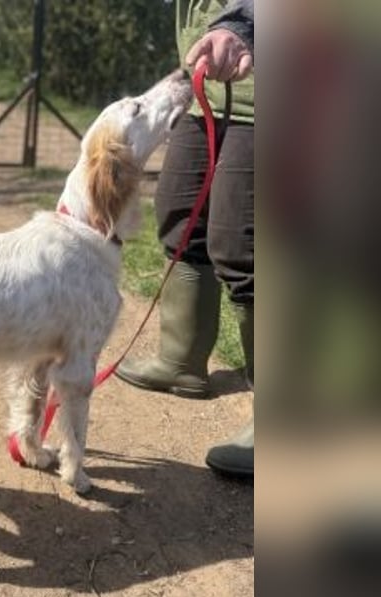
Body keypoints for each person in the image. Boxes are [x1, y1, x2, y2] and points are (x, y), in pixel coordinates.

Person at [116, 0, 254, 477]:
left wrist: (244, 24)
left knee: (243, 246)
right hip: (205, 89)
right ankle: (182, 359)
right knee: (181, 218)